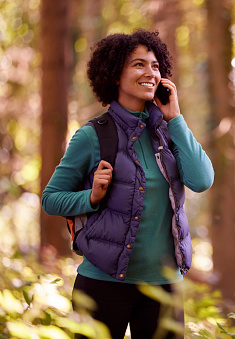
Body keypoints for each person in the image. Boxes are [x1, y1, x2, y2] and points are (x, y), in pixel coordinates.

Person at [41, 29, 214, 339]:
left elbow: (202, 180)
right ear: (114, 75)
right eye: (138, 65)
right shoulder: (92, 135)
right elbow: (51, 199)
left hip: (164, 288)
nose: (150, 72)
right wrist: (91, 197)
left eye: (156, 66)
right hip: (103, 285)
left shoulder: (168, 132)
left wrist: (175, 118)